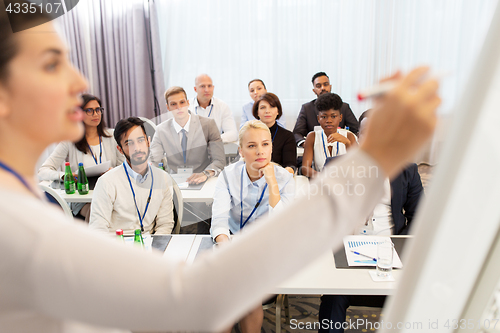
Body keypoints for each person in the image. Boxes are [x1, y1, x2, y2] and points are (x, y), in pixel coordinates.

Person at [0, 4, 441, 331]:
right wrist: (374, 158)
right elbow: (192, 299)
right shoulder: (16, 224)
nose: (79, 83)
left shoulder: (23, 200)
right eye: (52, 63)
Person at [318, 110, 425, 333]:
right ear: (358, 136)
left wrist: (399, 247)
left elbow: (420, 217)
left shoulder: (408, 169)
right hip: (348, 248)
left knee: (415, 299)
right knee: (333, 295)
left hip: (390, 250)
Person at [211, 120, 295, 333]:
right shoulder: (228, 176)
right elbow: (219, 221)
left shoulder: (285, 179)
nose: (260, 151)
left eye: (265, 144)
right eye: (251, 146)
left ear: (272, 147)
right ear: (240, 150)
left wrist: (272, 183)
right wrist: (225, 246)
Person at [38, 93, 124, 221]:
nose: (96, 114)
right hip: (83, 199)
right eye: (89, 110)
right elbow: (43, 171)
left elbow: (123, 166)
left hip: (110, 193)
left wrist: (114, 171)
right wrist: (65, 176)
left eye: (98, 110)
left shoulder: (112, 136)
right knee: (97, 211)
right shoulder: (69, 141)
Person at [89, 117, 174, 235]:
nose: (137, 148)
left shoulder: (163, 178)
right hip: (117, 246)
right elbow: (98, 229)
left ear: (148, 142)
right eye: (129, 143)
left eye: (141, 140)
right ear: (120, 149)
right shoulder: (106, 182)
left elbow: (165, 224)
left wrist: (155, 248)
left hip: (150, 246)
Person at [150, 86, 225, 184]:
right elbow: (153, 161)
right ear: (168, 107)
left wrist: (205, 174)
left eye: (182, 102)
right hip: (175, 182)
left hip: (204, 179)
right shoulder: (161, 130)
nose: (179, 107)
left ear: (188, 103)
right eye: (173, 104)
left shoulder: (208, 125)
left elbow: (219, 160)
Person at [293, 72, 359, 146]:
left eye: (325, 84)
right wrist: (306, 144)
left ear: (330, 87)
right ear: (314, 90)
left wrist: (347, 142)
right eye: (318, 86)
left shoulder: (343, 107)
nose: (323, 88)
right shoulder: (307, 108)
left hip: (339, 147)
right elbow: (297, 133)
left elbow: (356, 130)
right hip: (314, 148)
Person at [301, 93, 358, 178]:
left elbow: (357, 166)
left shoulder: (349, 136)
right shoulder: (312, 136)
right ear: (318, 119)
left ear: (340, 118)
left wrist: (347, 143)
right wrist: (324, 177)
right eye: (324, 117)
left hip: (345, 184)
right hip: (321, 183)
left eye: (333, 116)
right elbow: (305, 169)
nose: (329, 120)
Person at [252, 93, 296, 173]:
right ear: (257, 112)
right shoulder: (249, 133)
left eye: (272, 107)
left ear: (278, 111)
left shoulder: (287, 136)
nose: (267, 111)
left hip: (277, 177)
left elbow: (290, 166)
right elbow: (240, 161)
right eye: (262, 107)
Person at [188, 74, 238, 143]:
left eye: (209, 86)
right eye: (202, 86)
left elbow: (233, 134)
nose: (207, 90)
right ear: (195, 89)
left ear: (213, 87)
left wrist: (212, 140)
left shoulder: (222, 106)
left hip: (214, 148)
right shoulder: (187, 106)